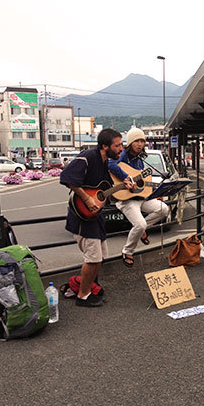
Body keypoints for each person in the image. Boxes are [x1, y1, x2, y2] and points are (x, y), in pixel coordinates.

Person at [60, 129, 126, 307]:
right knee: (93, 258)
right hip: (82, 217)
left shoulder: (105, 162)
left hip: (95, 217)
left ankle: (87, 288)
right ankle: (82, 295)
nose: (121, 148)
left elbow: (105, 191)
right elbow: (67, 177)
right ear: (105, 146)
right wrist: (87, 198)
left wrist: (125, 187)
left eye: (121, 144)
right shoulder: (88, 156)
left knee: (100, 257)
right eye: (117, 145)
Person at [108, 127, 170, 267]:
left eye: (142, 141)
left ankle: (142, 231)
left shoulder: (140, 160)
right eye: (137, 141)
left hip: (140, 197)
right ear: (130, 142)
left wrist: (155, 190)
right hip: (126, 199)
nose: (140, 144)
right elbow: (110, 164)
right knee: (140, 224)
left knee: (163, 209)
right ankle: (127, 251)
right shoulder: (122, 155)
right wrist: (126, 177)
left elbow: (142, 182)